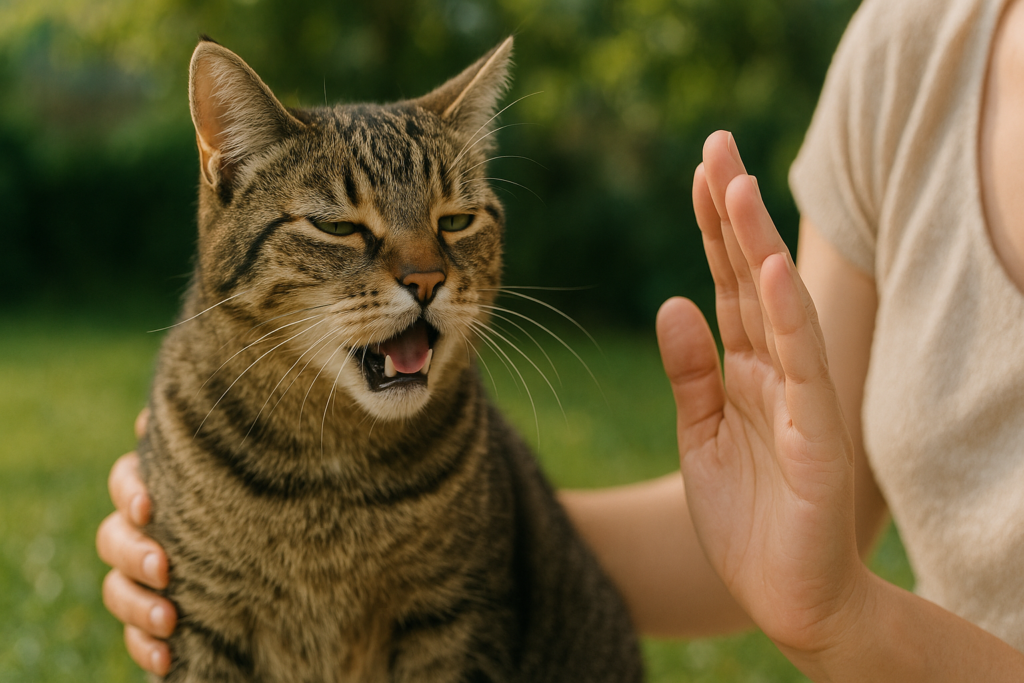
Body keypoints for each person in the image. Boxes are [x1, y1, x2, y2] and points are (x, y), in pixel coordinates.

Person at [97, 0, 1024, 677]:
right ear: (230, 176)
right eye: (348, 232)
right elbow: (785, 534)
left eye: (458, 224)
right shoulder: (916, 50)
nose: (423, 276)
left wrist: (847, 618)